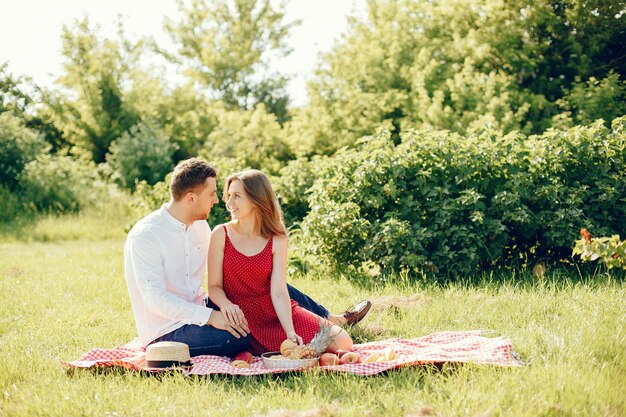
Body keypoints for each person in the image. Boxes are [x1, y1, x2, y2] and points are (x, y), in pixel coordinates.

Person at [124, 158, 370, 357]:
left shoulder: (200, 227)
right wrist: (212, 317)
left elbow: (245, 269)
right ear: (191, 198)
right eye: (212, 194)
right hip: (168, 329)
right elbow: (154, 299)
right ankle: (268, 338)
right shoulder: (147, 236)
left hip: (199, 308)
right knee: (239, 337)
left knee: (267, 282)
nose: (218, 200)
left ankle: (331, 318)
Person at [207, 169, 353, 354]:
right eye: (229, 196)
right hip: (240, 317)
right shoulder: (221, 234)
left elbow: (278, 291)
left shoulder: (277, 237)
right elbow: (213, 286)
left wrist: (290, 331)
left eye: (236, 196)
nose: (229, 203)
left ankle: (297, 347)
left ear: (256, 199)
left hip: (273, 311)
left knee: (342, 341)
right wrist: (226, 305)